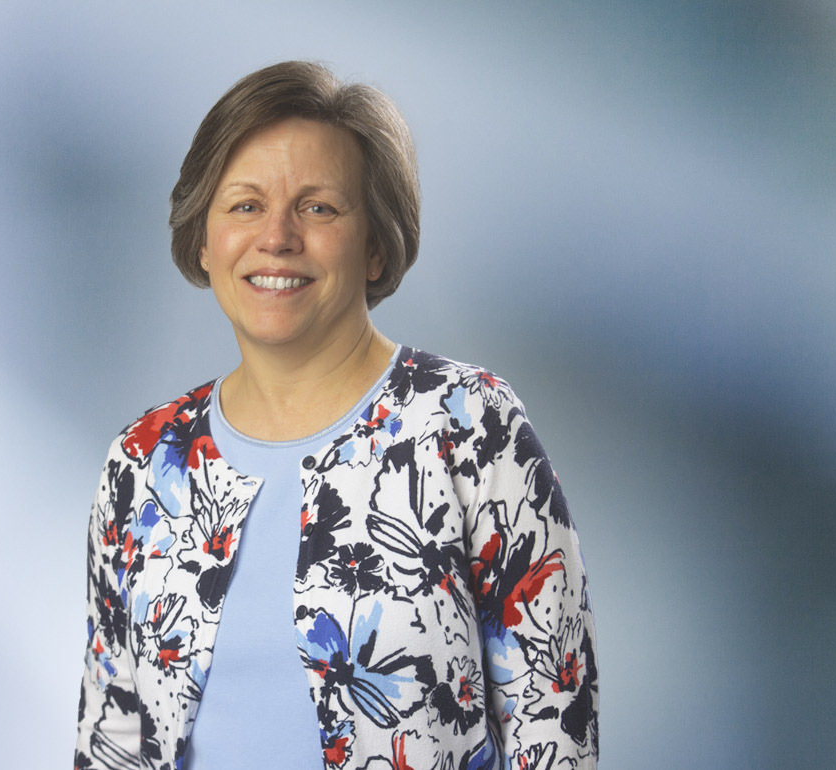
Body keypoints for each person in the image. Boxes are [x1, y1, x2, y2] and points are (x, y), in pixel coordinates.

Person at [73, 61, 597, 770]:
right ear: (203, 239)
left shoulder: (471, 428)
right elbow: (112, 742)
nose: (278, 237)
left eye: (319, 208)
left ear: (376, 245)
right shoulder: (142, 462)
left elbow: (553, 721)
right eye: (245, 205)